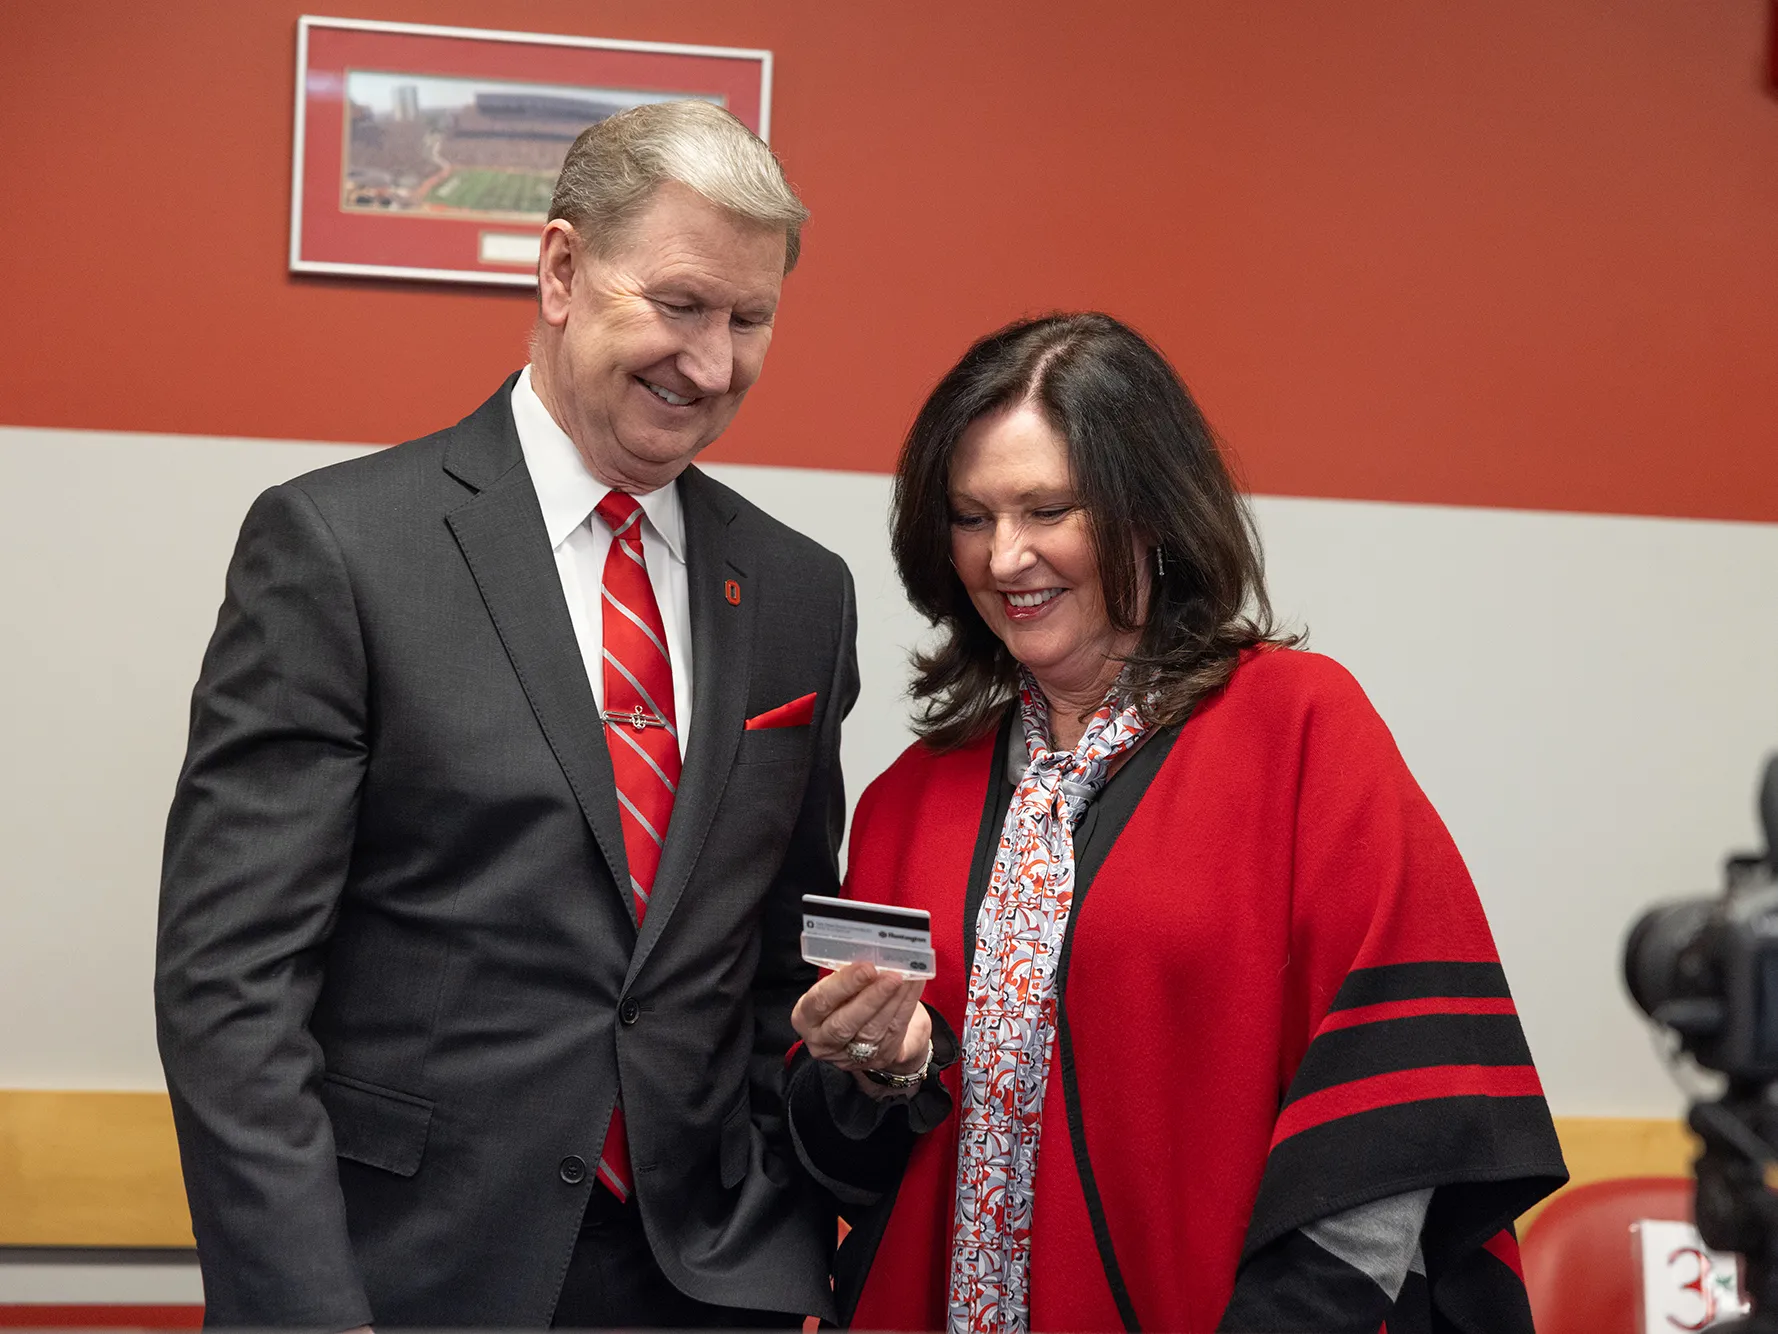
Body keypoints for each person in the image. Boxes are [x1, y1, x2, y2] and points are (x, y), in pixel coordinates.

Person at [155, 101, 857, 1329]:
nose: (712, 362)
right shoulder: (340, 546)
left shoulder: (802, 592)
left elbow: (774, 952)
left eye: (751, 321)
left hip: (706, 1282)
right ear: (561, 268)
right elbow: (232, 987)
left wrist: (781, 1207)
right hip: (407, 1277)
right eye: (681, 304)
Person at [785, 312, 1567, 1333]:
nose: (1004, 554)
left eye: (1045, 508)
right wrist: (882, 1068)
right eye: (970, 516)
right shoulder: (905, 798)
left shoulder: (1297, 731)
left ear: (1147, 513)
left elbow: (1397, 1109)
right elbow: (844, 1169)